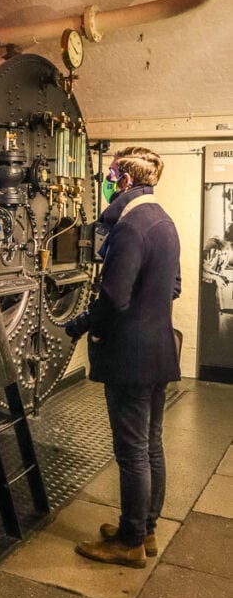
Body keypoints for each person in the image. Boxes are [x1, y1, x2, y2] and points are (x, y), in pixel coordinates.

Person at [65, 146, 181, 568]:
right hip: (159, 349)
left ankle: (130, 541)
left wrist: (81, 325)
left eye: (113, 176)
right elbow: (173, 287)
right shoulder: (164, 222)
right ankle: (144, 528)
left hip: (130, 356)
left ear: (127, 181)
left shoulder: (131, 226)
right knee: (150, 445)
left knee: (131, 450)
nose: (109, 183)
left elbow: (113, 296)